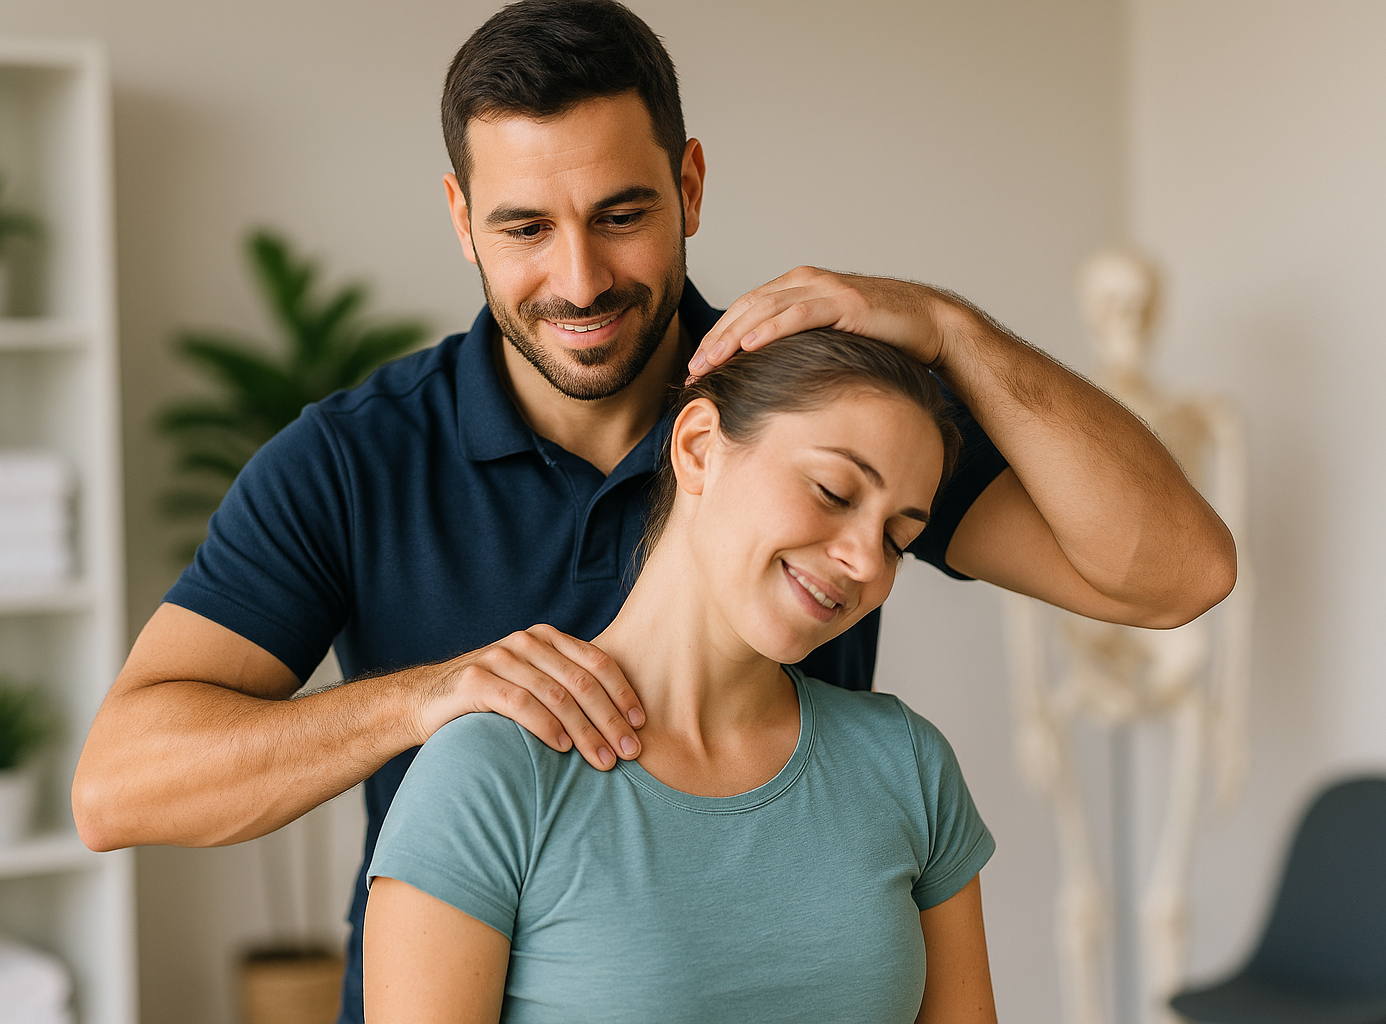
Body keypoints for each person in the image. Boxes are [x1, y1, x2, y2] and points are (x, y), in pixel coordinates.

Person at [71, 1, 1237, 1018]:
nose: (578, 280)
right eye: (525, 226)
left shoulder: (810, 423)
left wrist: (950, 326)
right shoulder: (352, 461)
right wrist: (437, 696)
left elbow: (1177, 572)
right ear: (461, 215)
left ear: (688, 185)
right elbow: (119, 786)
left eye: (622, 214)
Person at [364, 330, 996, 1023]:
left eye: (895, 539)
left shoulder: (906, 765)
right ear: (698, 446)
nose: (866, 564)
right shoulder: (490, 773)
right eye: (834, 491)